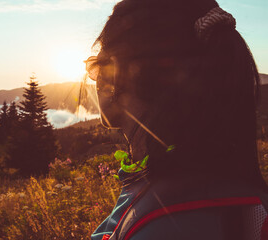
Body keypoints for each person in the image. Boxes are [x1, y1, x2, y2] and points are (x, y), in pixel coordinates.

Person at [85, 0, 268, 239]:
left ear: (117, 74)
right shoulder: (227, 184)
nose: (95, 80)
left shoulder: (169, 221)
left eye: (97, 67)